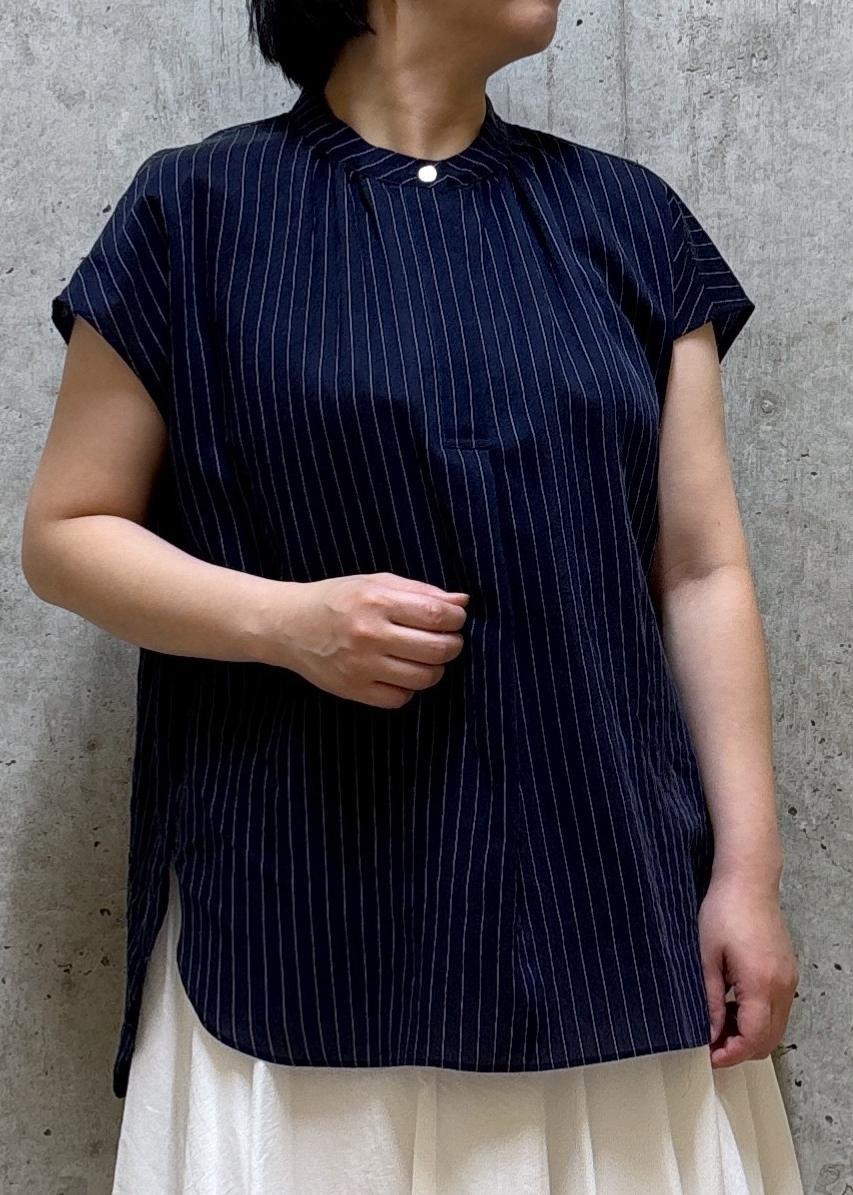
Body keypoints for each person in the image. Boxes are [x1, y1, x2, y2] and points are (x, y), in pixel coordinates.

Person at [23, 0, 806, 1190]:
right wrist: (287, 625)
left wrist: (747, 877)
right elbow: (68, 534)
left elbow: (699, 570)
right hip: (303, 901)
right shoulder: (196, 209)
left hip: (605, 892)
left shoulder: (629, 220)